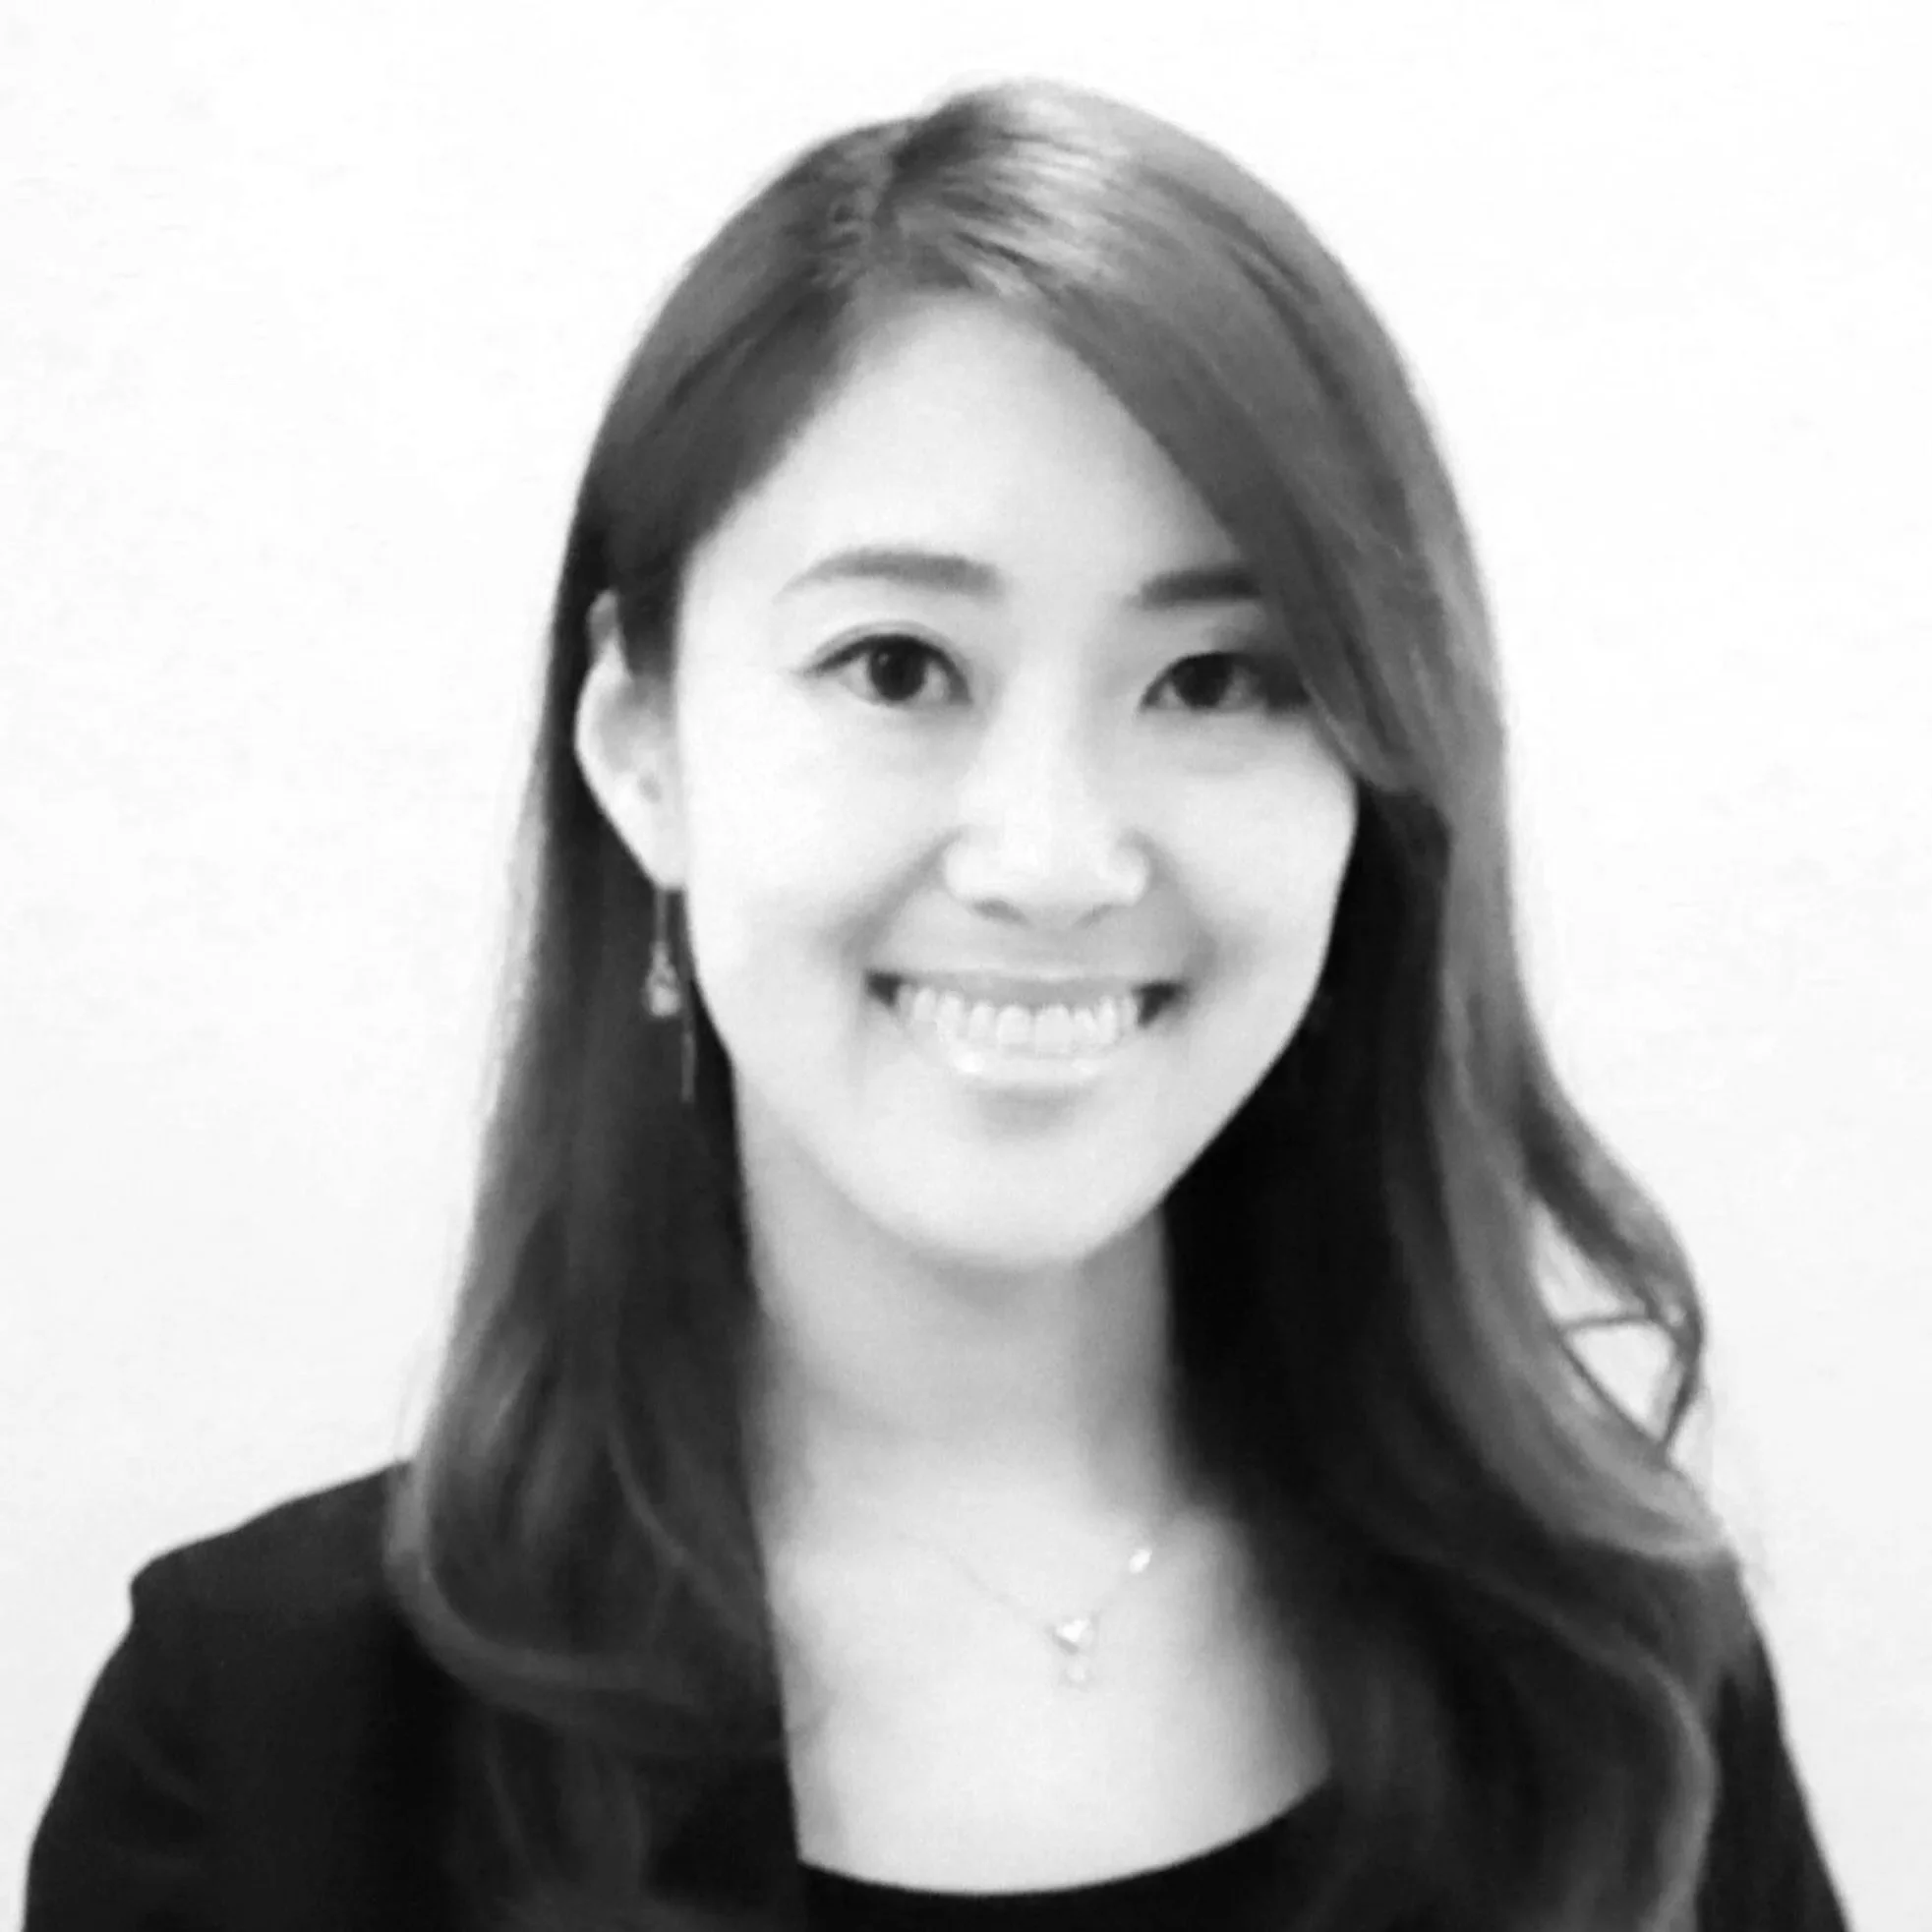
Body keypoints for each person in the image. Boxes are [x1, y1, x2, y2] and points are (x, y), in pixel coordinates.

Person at [27, 75, 1850, 1932]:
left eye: (1216, 680)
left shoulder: (1610, 1680)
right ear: (642, 741)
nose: (1052, 859)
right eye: (898, 666)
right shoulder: (268, 1748)